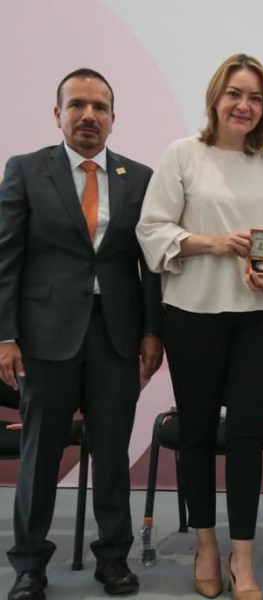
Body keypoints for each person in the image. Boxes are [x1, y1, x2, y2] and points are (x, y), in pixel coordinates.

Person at [136, 53, 263, 600]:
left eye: (255, 97)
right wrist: (211, 243)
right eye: (235, 93)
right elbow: (152, 230)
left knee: (248, 438)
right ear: (216, 97)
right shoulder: (184, 154)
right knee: (200, 435)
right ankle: (206, 544)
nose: (243, 105)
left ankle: (242, 557)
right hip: (192, 316)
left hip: (258, 320)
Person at [0, 68, 163, 600]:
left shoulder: (137, 178)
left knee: (113, 451)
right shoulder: (26, 171)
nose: (89, 115)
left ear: (114, 118)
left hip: (115, 337)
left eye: (100, 107)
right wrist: (5, 335)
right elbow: (7, 258)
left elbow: (150, 267)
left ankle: (113, 558)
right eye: (77, 105)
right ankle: (29, 566)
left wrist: (151, 332)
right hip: (45, 338)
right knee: (41, 453)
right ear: (58, 114)